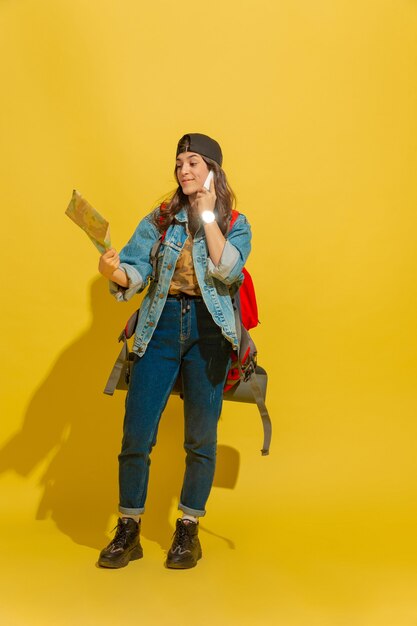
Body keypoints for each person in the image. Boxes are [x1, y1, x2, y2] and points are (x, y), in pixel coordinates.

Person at [97, 133, 252, 569]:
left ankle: (188, 529)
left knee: (200, 438)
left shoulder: (235, 222)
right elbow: (135, 269)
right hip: (160, 324)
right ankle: (129, 530)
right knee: (136, 434)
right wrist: (115, 271)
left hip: (209, 329)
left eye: (194, 163)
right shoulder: (160, 219)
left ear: (213, 171)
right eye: (179, 163)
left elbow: (227, 269)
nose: (184, 170)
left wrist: (207, 216)